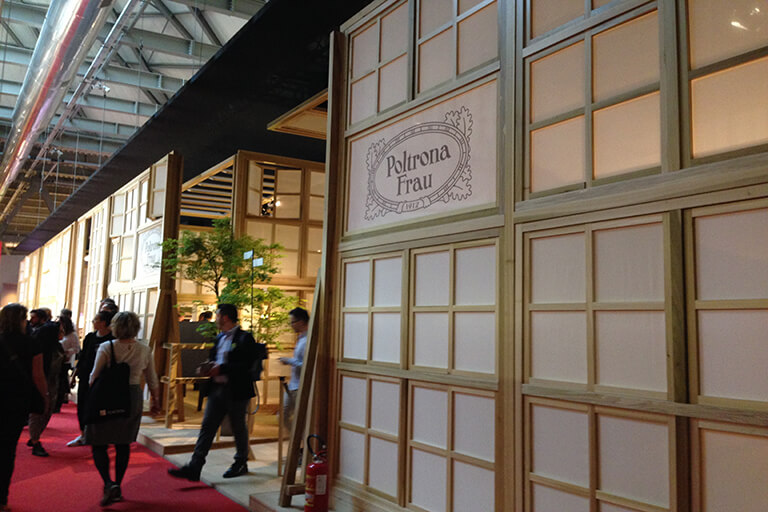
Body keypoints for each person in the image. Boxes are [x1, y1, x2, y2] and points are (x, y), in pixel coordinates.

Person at [168, 304, 262, 481]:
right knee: (207, 427)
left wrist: (222, 368)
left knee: (238, 427)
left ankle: (241, 461)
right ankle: (195, 467)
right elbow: (214, 359)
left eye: (217, 315)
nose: (215, 319)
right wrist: (206, 368)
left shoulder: (245, 338)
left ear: (225, 317)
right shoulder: (219, 338)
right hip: (217, 389)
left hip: (236, 390)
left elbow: (246, 366)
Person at [86, 311, 161, 506]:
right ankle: (118, 484)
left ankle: (108, 482)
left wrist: (91, 395)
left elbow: (94, 375)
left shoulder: (106, 347)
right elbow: (152, 378)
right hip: (132, 396)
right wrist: (156, 400)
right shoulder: (144, 350)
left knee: (98, 442)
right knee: (123, 442)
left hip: (107, 396)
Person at [0, 304, 47, 512]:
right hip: (16, 401)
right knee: (7, 450)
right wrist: (45, 397)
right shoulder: (31, 343)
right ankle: (1, 499)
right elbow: (38, 375)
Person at [67, 311, 115, 447]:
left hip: (103, 379)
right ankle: (83, 434)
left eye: (96, 319)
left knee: (100, 408)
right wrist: (74, 376)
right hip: (85, 376)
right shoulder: (90, 337)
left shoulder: (112, 339)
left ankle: (101, 436)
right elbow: (82, 358)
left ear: (103, 323)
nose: (93, 322)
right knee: (82, 406)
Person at [27, 308, 64, 456]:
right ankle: (35, 439)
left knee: (46, 410)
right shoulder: (43, 347)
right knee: (39, 411)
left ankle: (34, 437)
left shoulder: (54, 346)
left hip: (52, 380)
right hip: (45, 379)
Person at [279, 307, 308, 431]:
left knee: (300, 418)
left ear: (301, 322)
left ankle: (299, 439)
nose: (291, 325)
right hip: (293, 384)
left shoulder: (307, 340)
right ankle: (296, 439)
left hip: (300, 386)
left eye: (293, 322)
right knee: (282, 416)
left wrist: (289, 361)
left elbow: (307, 364)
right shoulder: (301, 338)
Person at [57, 316, 80, 410]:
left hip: (65, 359)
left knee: (62, 378)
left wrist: (67, 352)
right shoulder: (57, 332)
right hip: (57, 358)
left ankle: (63, 396)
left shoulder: (72, 335)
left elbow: (76, 348)